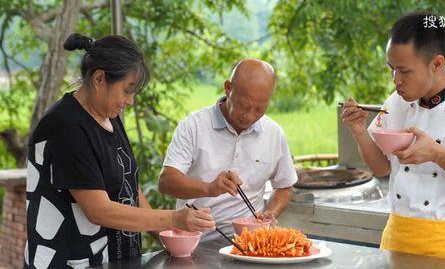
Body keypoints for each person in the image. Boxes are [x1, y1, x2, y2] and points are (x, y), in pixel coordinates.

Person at [25, 33, 215, 268]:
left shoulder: (108, 116)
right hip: (71, 261)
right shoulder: (66, 126)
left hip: (115, 259)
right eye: (127, 90)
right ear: (99, 79)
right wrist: (173, 218)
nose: (131, 101)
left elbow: (129, 186)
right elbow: (98, 211)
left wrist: (166, 233)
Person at [341, 12, 445, 259]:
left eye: (404, 71)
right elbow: (381, 168)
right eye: (391, 69)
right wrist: (358, 130)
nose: (396, 81)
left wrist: (435, 153)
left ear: (436, 63)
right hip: (396, 235)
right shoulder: (396, 102)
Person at [158, 58, 298, 241]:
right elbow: (166, 181)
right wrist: (209, 188)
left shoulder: (274, 133)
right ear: (228, 88)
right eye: (243, 106)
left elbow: (284, 186)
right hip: (196, 242)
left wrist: (270, 213)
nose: (249, 116)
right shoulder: (194, 126)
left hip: (248, 242)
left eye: (259, 109)